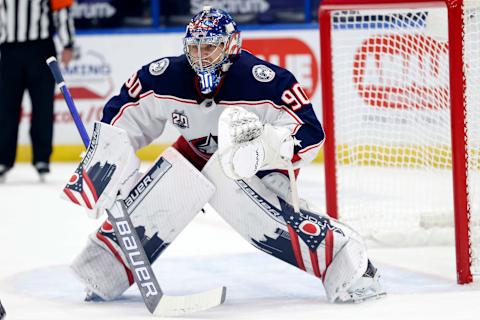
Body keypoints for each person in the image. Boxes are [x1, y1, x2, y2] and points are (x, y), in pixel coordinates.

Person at [64, 7, 386, 304]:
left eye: (210, 48)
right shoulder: (164, 77)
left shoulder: (263, 81)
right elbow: (124, 117)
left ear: (231, 47)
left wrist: (265, 149)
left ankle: (353, 266)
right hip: (194, 155)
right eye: (195, 48)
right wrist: (107, 162)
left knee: (269, 222)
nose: (201, 58)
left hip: (255, 169)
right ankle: (104, 269)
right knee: (168, 180)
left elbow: (310, 132)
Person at [0, 0, 76, 182]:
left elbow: (62, 9)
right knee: (5, 106)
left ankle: (42, 158)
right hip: (8, 49)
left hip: (40, 47)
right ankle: (3, 158)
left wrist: (68, 44)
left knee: (42, 105)